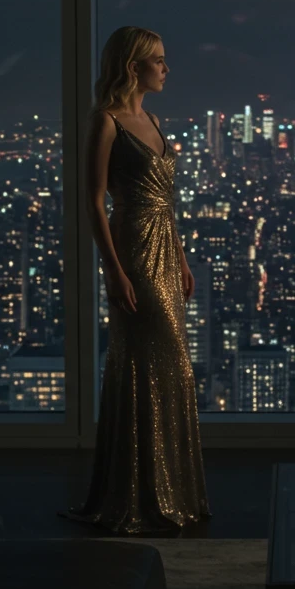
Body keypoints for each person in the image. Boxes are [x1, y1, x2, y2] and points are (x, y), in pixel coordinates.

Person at [64, 26, 210, 533]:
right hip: (134, 255)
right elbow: (92, 200)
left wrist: (184, 259)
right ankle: (137, 496)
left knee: (170, 369)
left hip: (166, 252)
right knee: (154, 363)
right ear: (133, 67)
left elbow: (166, 205)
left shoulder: (151, 119)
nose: (167, 69)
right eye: (159, 61)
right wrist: (113, 269)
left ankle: (167, 491)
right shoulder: (105, 123)